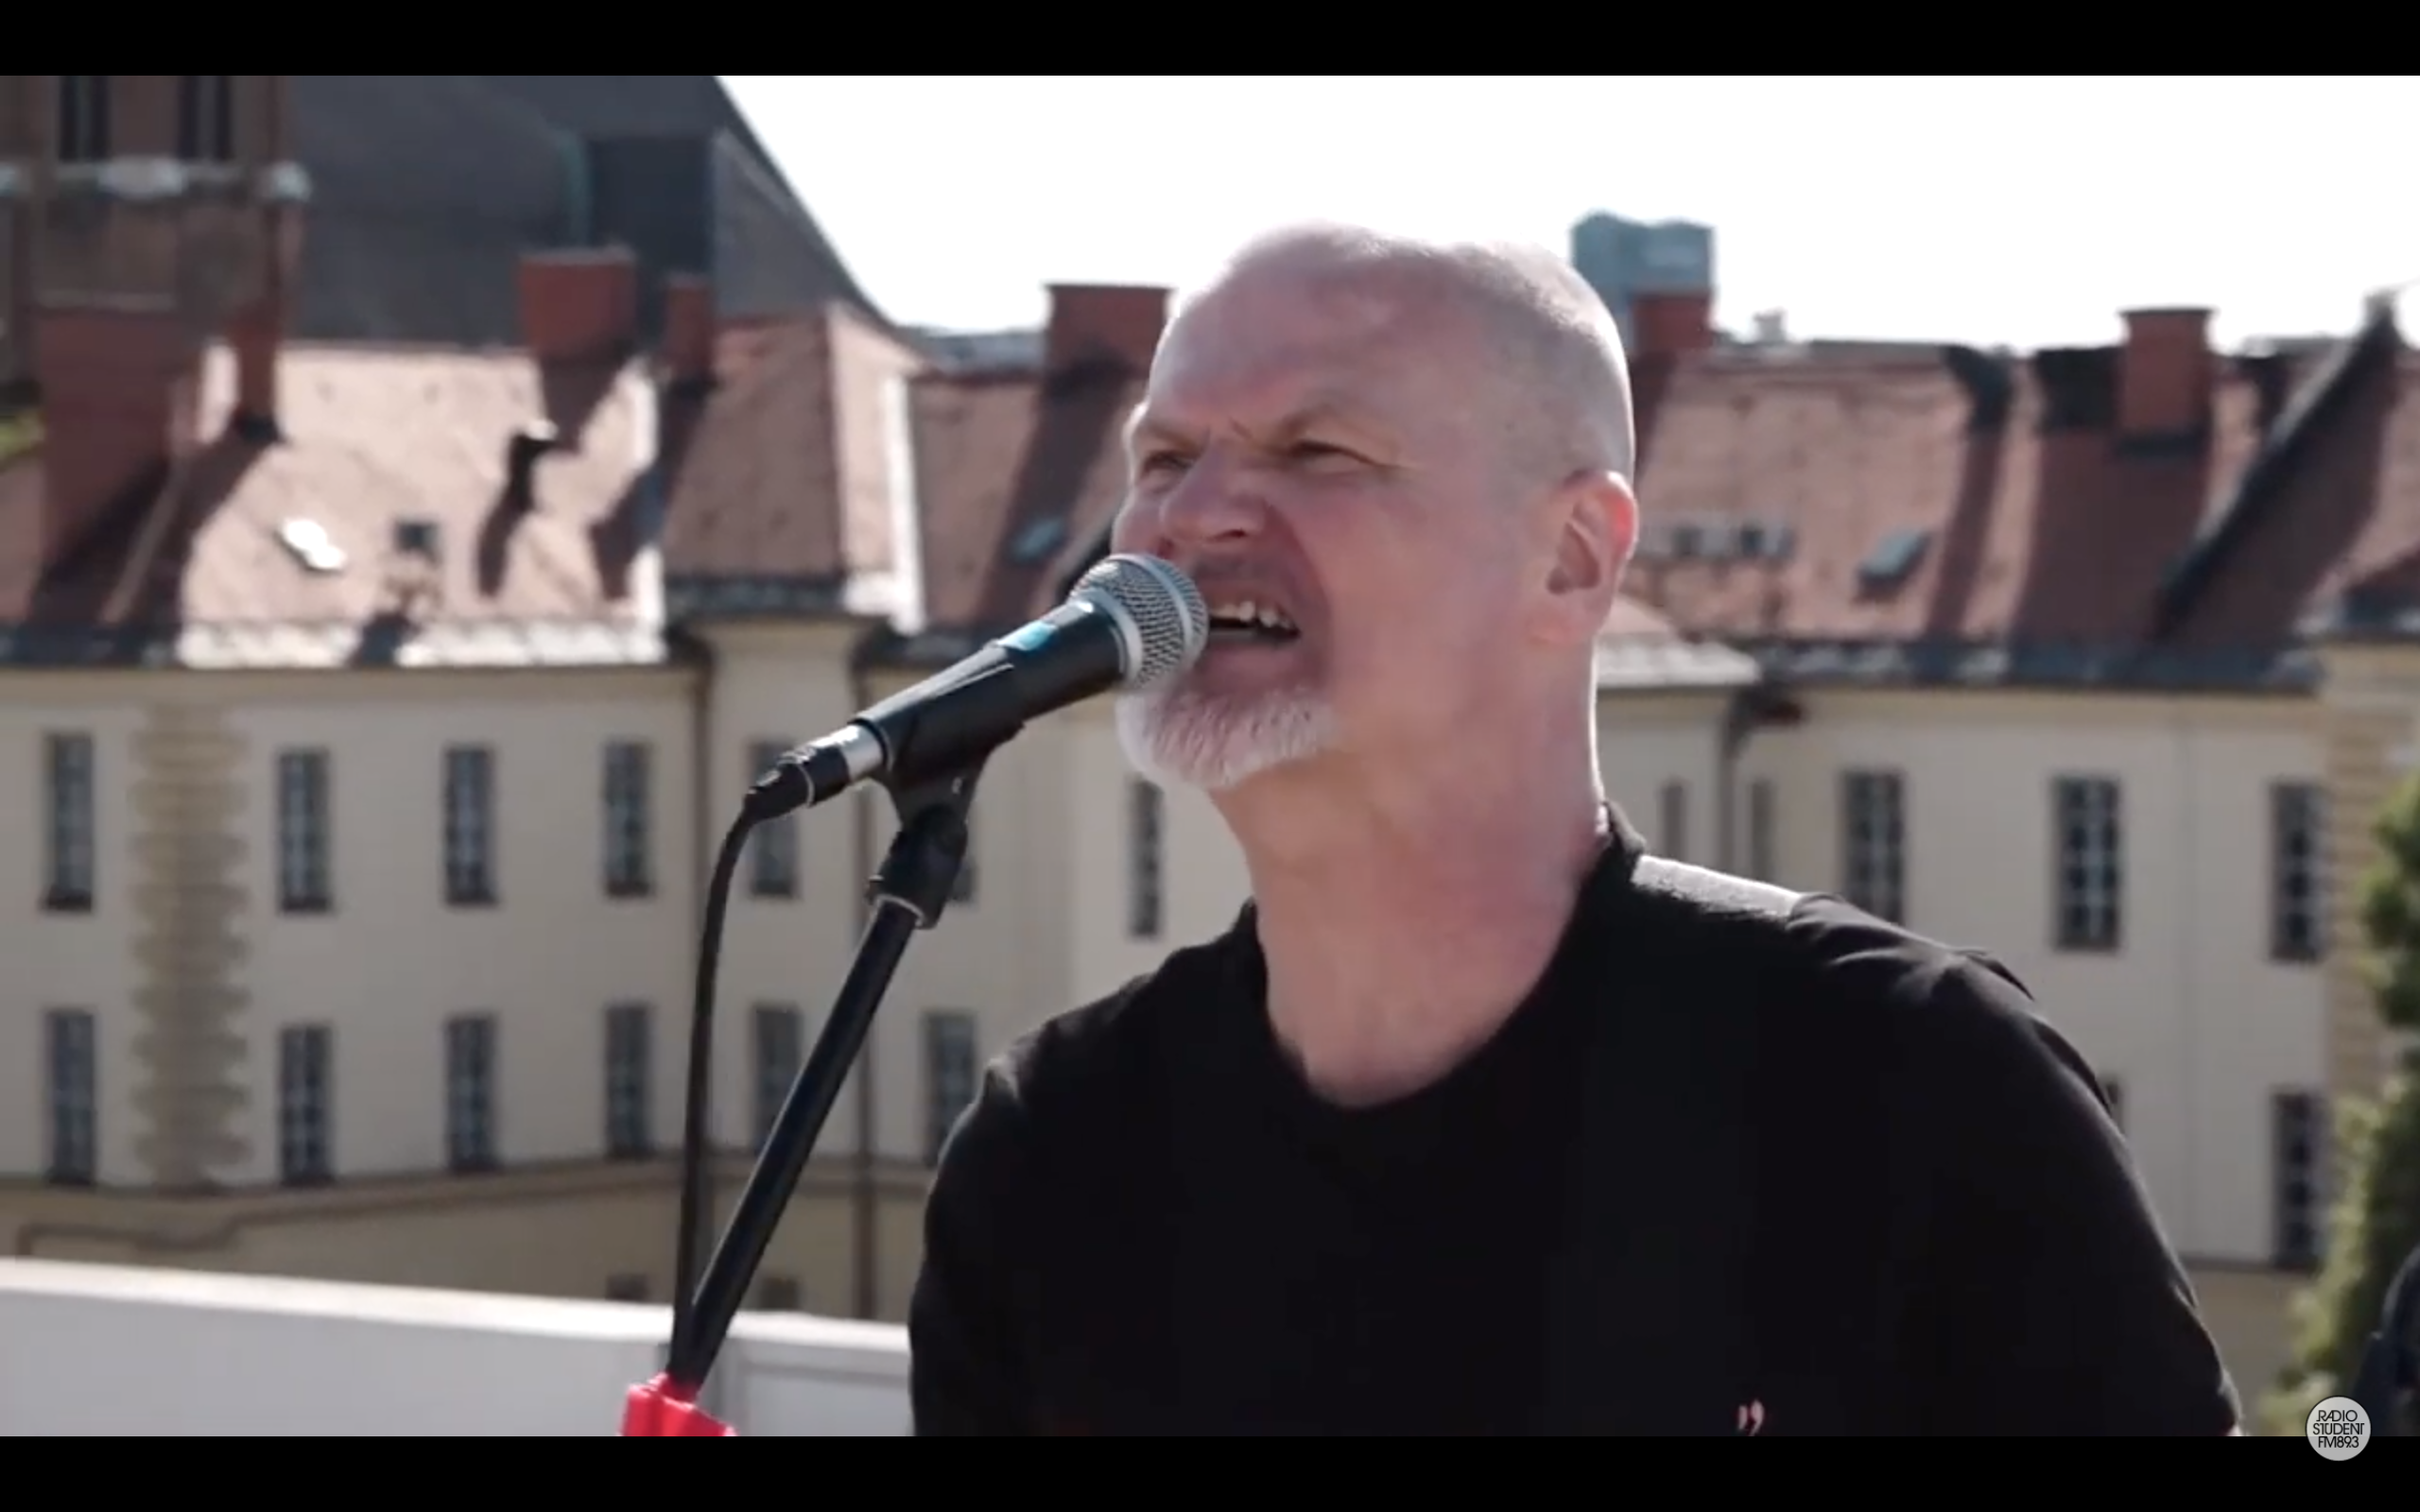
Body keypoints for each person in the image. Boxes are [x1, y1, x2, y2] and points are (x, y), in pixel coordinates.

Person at [907, 223, 2244, 1435]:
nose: (1192, 516)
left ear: (1574, 558)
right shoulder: (1056, 1154)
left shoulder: (1903, 1088)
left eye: (1317, 452)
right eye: (1163, 458)